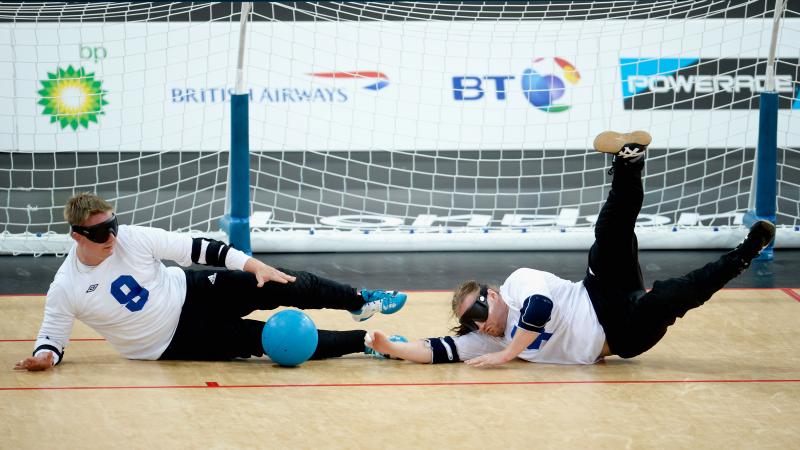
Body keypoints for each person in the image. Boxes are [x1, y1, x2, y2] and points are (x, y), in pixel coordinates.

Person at [365, 130, 776, 367]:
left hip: (597, 293)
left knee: (609, 234)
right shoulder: (488, 340)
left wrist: (509, 353)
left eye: (477, 311)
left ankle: (629, 164)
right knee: (670, 295)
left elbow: (540, 309)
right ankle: (745, 253)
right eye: (470, 323)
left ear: (493, 296)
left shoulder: (518, 284)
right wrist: (390, 347)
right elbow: (439, 350)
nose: (478, 325)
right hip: (620, 337)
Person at [14, 193, 407, 371]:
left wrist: (253, 265)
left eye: (113, 227)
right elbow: (53, 333)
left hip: (189, 290)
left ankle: (360, 300)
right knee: (273, 341)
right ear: (78, 237)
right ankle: (371, 343)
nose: (112, 238)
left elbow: (197, 248)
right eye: (100, 234)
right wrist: (46, 355)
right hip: (168, 342)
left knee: (278, 282)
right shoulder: (66, 286)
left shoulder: (131, 237)